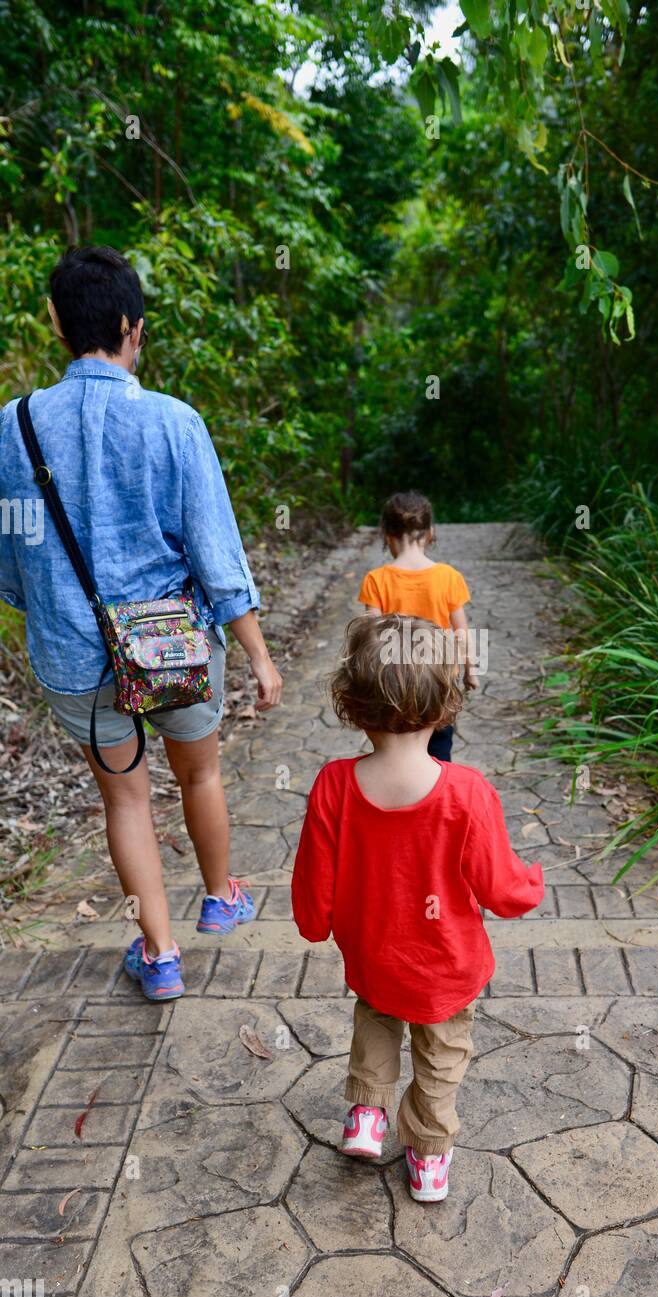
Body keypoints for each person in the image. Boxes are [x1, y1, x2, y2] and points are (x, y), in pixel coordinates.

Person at [0, 246, 283, 1000]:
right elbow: (216, 554)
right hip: (175, 649)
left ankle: (159, 956)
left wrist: (54, 614)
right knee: (202, 772)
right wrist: (258, 654)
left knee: (125, 799)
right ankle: (221, 897)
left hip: (73, 655)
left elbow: (12, 549)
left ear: (56, 322)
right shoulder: (172, 421)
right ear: (133, 326)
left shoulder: (14, 424)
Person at [291, 613, 543, 1202]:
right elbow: (500, 889)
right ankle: (428, 1159)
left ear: (351, 706)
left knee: (376, 1022)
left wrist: (314, 923)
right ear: (444, 706)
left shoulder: (334, 784)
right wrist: (530, 883)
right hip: (447, 967)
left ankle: (366, 1116)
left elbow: (313, 885)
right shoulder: (467, 792)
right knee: (441, 1057)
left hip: (376, 956)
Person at [357, 489, 477, 761]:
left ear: (387, 535)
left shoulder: (376, 580)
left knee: (393, 743)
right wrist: (470, 670)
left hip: (393, 682)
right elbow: (462, 632)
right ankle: (435, 793)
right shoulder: (449, 577)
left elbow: (370, 636)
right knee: (438, 745)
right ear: (430, 533)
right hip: (438, 678)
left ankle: (397, 791)